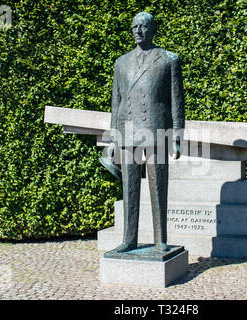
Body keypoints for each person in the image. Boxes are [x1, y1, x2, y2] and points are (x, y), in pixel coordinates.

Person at [106, 12, 185, 253]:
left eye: (143, 26)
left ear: (153, 30)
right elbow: (115, 100)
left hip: (156, 129)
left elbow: (177, 100)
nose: (138, 30)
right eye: (134, 26)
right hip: (127, 129)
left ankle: (161, 239)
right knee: (129, 188)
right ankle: (129, 239)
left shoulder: (169, 59)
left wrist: (177, 136)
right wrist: (112, 137)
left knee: (158, 186)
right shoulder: (121, 62)